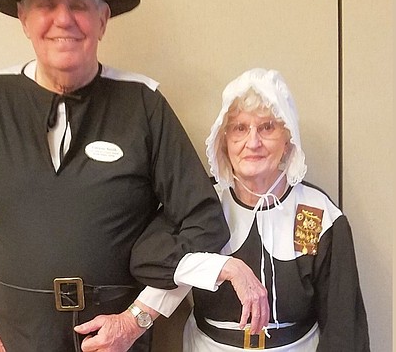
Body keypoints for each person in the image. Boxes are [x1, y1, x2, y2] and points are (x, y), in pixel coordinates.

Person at [0, 0, 267, 351]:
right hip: (14, 339)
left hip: (116, 343)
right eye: (46, 4)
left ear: (103, 17)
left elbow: (203, 225)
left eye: (78, 4)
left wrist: (138, 319)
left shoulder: (143, 104)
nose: (63, 19)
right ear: (23, 18)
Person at [136, 68, 370, 351]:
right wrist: (223, 267)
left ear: (288, 141)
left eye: (267, 127)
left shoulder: (322, 215)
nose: (253, 142)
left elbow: (344, 327)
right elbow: (146, 258)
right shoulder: (199, 203)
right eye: (239, 128)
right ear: (224, 141)